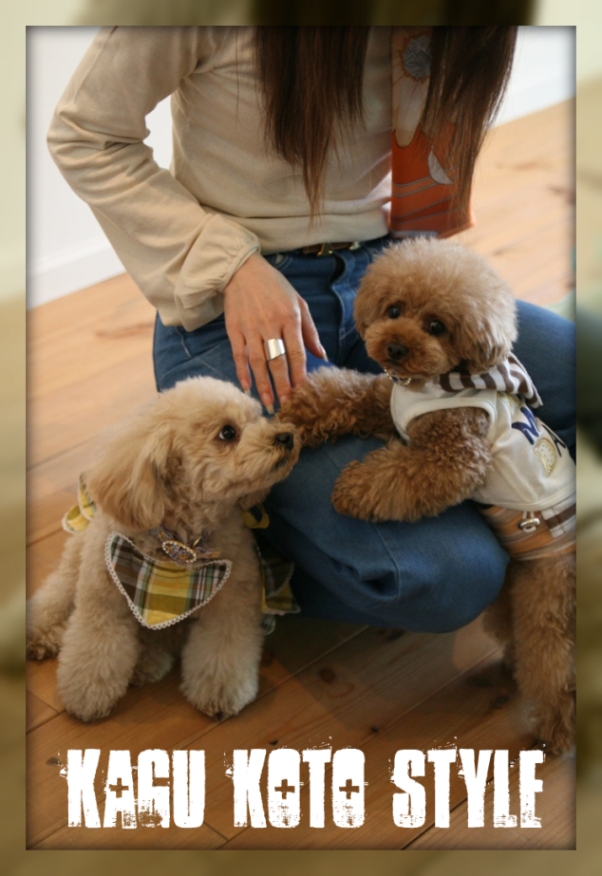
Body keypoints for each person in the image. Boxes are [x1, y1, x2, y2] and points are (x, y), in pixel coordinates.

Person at [48, 26, 575, 632]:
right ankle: (237, 553)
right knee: (453, 577)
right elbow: (84, 133)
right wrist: (229, 264)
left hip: (385, 275)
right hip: (240, 296)